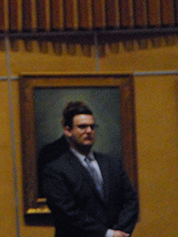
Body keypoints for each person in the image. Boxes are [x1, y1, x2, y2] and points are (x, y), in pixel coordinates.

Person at [40, 101, 139, 237]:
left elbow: (131, 201)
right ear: (68, 131)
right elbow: (68, 213)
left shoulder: (112, 163)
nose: (89, 131)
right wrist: (107, 234)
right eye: (82, 127)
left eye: (92, 127)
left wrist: (119, 232)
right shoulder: (55, 170)